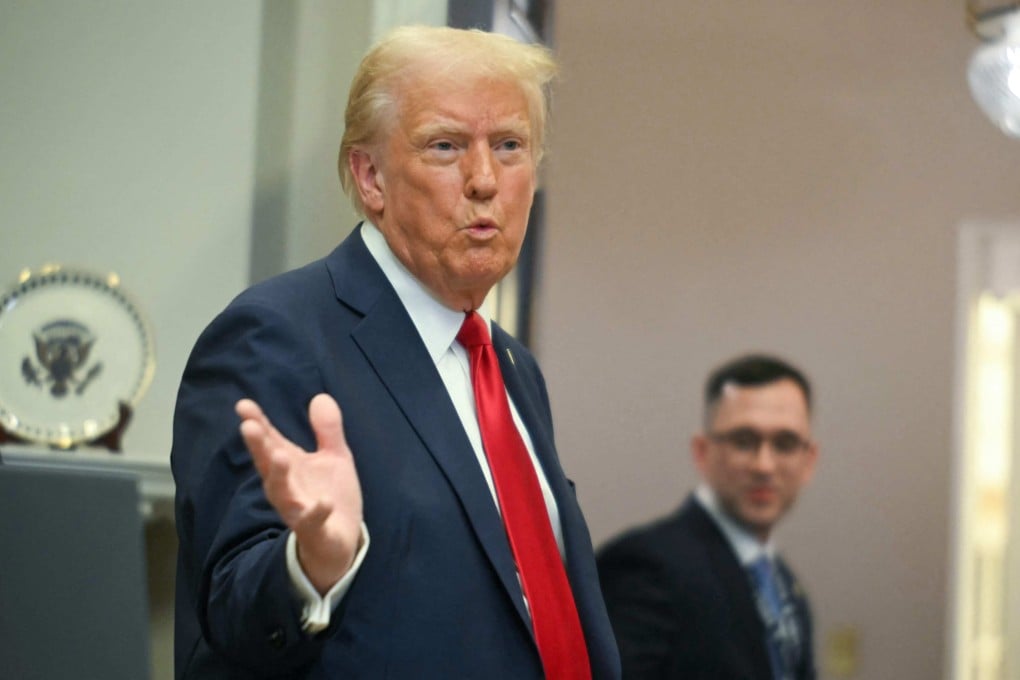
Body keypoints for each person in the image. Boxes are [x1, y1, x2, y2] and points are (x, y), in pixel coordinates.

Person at [170, 25, 619, 679]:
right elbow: (232, 617)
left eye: (510, 146)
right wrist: (311, 563)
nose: (486, 180)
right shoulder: (274, 337)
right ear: (370, 175)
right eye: (446, 146)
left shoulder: (514, 369)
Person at [596, 354, 819, 679]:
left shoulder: (785, 585)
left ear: (808, 460)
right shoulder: (646, 566)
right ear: (703, 451)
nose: (764, 465)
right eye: (744, 441)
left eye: (785, 444)